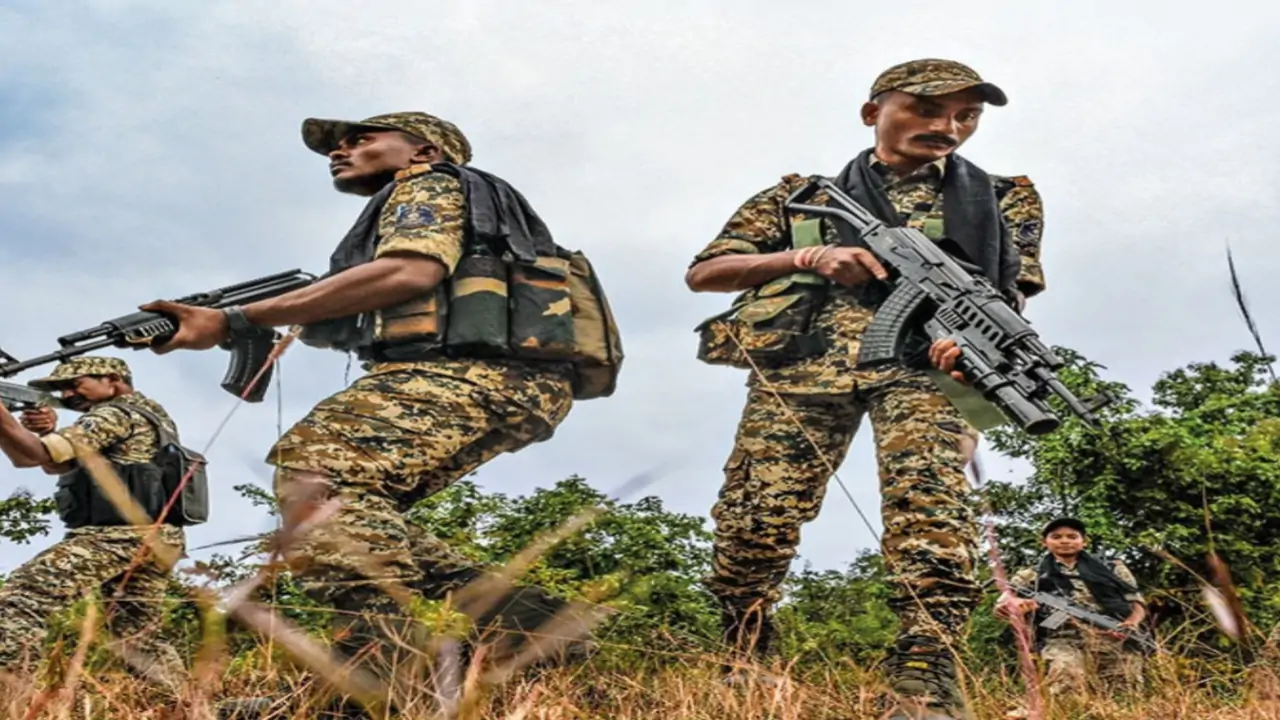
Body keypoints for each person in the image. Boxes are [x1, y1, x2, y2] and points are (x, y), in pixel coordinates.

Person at [143, 111, 618, 715]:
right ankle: (534, 625)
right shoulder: (460, 203)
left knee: (318, 480)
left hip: (473, 372)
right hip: (504, 380)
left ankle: (376, 685)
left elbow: (410, 270)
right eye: (336, 145)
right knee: (357, 511)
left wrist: (236, 320)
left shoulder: (428, 185)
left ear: (423, 149)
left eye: (360, 138)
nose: (341, 150)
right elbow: (380, 300)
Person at [686, 58, 1046, 719]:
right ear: (872, 111)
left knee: (932, 522)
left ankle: (925, 675)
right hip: (801, 371)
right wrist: (806, 256)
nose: (949, 126)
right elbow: (708, 272)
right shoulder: (800, 194)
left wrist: (971, 347)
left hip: (925, 375)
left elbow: (1009, 295)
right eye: (929, 109)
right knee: (752, 524)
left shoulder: (1003, 196)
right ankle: (744, 644)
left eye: (966, 115)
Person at [0, 356, 186, 687]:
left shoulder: (114, 413)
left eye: (76, 384)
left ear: (112, 380)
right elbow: (59, 465)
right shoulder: (148, 412)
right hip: (157, 537)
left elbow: (32, 456)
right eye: (62, 389)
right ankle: (186, 708)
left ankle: (11, 696)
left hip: (117, 537)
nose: (70, 394)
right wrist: (49, 433)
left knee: (19, 599)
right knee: (137, 637)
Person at [996, 517, 1147, 712]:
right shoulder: (1031, 575)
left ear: (1084, 541)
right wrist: (1014, 605)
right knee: (1065, 685)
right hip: (1063, 639)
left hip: (1114, 637)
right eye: (1056, 536)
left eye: (1072, 536)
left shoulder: (1111, 567)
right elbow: (1003, 602)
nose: (1065, 541)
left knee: (1123, 699)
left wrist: (1131, 623)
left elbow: (1136, 601)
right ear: (1044, 542)